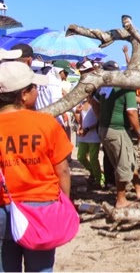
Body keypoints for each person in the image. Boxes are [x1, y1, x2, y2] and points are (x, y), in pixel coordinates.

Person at [0, 61, 73, 271]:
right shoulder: (46, 124)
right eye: (34, 87)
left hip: (4, 209)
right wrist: (64, 202)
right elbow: (63, 170)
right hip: (42, 210)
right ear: (23, 95)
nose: (37, 90)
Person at [93, 60, 140, 208]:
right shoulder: (126, 89)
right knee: (123, 164)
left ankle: (139, 189)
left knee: (130, 158)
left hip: (106, 129)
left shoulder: (103, 87)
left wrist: (101, 117)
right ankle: (121, 200)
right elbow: (131, 112)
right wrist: (139, 132)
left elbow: (93, 101)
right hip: (117, 130)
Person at [74, 60, 104, 189]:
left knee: (93, 158)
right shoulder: (81, 98)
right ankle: (94, 173)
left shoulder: (97, 96)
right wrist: (80, 125)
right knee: (80, 157)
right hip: (84, 133)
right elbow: (79, 114)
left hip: (93, 134)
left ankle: (99, 178)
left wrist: (87, 128)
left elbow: (99, 118)